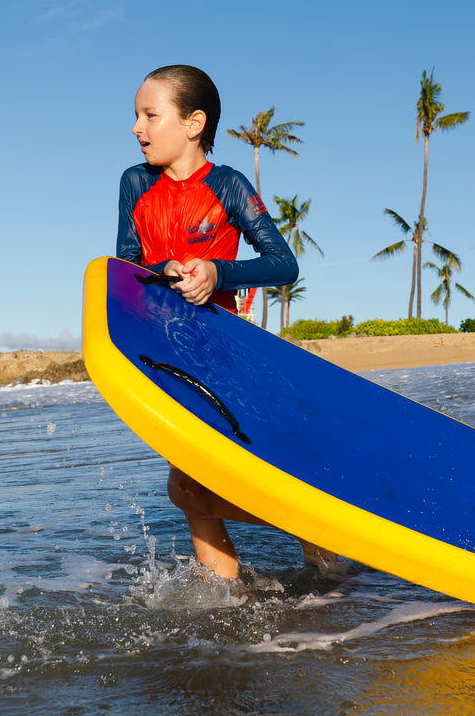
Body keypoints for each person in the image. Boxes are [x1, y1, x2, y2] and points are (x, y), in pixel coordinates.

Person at [115, 64, 334, 583]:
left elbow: (284, 263)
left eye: (150, 115)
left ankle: (316, 545)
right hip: (164, 353)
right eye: (136, 116)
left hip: (222, 350)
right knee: (188, 487)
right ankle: (226, 600)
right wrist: (159, 269)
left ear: (194, 123)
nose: (136, 128)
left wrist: (218, 272)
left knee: (217, 479)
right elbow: (125, 262)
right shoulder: (133, 183)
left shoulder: (229, 186)